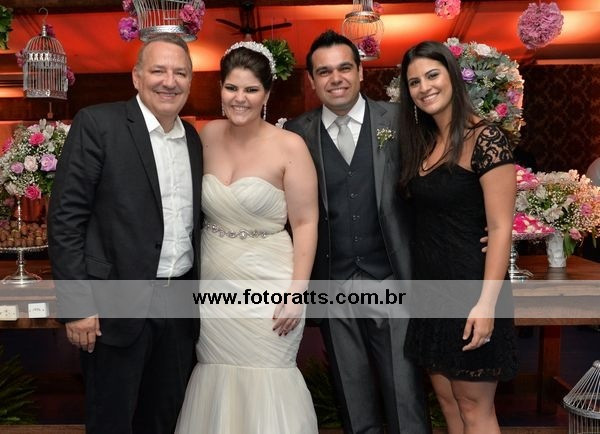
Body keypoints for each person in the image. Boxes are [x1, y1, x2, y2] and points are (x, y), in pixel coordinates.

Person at [48, 34, 202, 434]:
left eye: (180, 72)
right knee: (111, 421)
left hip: (179, 308)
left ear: (190, 80)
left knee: (164, 420)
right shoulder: (98, 124)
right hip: (112, 310)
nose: (169, 81)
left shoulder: (192, 139)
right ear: (136, 77)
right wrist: (78, 306)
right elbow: (65, 219)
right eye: (158, 70)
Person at [285, 30, 430, 434]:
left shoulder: (399, 120)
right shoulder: (297, 132)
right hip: (332, 284)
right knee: (353, 401)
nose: (336, 78)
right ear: (312, 80)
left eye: (345, 68)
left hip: (391, 279)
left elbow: (434, 184)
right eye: (324, 71)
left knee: (405, 398)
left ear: (361, 72)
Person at [175, 41, 319, 433]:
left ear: (267, 94)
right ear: (220, 89)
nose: (240, 98)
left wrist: (297, 293)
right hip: (213, 283)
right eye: (232, 88)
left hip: (270, 284)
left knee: (269, 374)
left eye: (251, 89)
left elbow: (306, 223)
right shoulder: (205, 135)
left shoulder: (290, 146)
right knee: (215, 373)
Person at [397, 41, 518, 434]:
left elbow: (500, 228)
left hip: (471, 291)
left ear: (452, 75)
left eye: (432, 75)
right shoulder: (423, 142)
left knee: (473, 408)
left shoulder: (485, 138)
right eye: (414, 81)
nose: (424, 87)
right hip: (431, 291)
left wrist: (487, 304)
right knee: (449, 404)